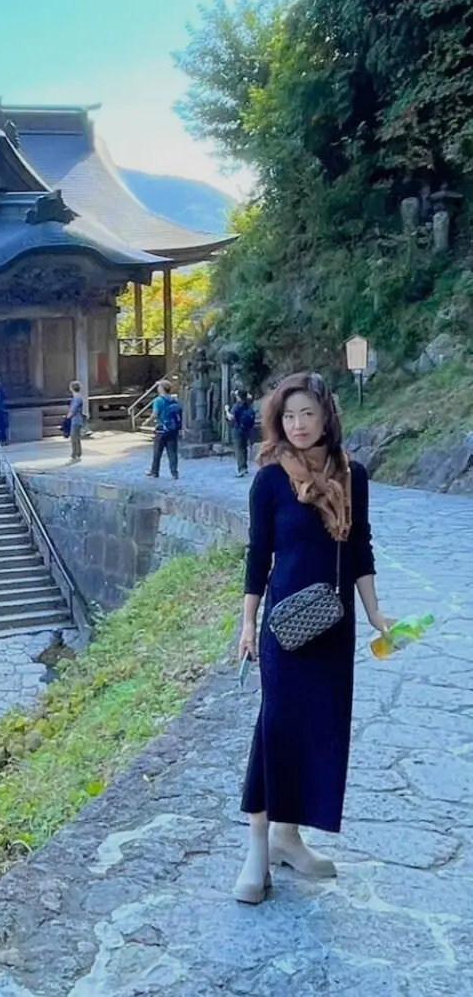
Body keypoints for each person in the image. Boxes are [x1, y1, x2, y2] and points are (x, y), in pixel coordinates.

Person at [234, 372, 395, 906]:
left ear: (327, 416)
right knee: (275, 727)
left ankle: (289, 836)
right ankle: (258, 846)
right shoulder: (271, 480)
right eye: (288, 416)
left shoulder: (355, 477)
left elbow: (360, 550)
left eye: (307, 414)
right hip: (285, 627)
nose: (298, 425)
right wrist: (247, 623)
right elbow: (259, 558)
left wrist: (375, 614)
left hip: (334, 625)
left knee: (320, 729)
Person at [147, 380, 182, 479]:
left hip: (161, 429)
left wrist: (147, 421)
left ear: (162, 388)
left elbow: (155, 414)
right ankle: (174, 473)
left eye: (158, 386)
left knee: (157, 451)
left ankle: (154, 471)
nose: (157, 388)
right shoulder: (174, 399)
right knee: (172, 452)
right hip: (173, 429)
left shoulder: (158, 400)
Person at [226, 389, 257, 477]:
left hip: (236, 429)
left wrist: (226, 410)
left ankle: (241, 468)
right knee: (244, 448)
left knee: (239, 449)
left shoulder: (237, 406)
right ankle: (245, 466)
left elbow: (231, 417)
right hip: (246, 429)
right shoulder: (248, 404)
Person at [67, 380, 85, 462]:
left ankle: (75, 453)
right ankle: (78, 452)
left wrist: (68, 416)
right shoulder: (78, 397)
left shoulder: (77, 398)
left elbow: (74, 409)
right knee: (76, 437)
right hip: (77, 419)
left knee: (74, 437)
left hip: (76, 419)